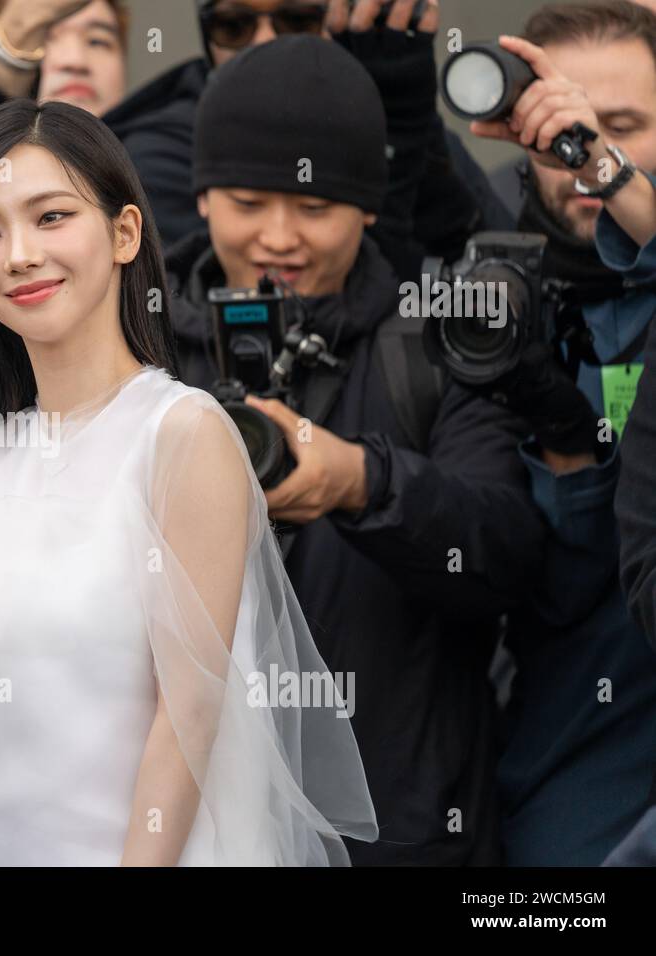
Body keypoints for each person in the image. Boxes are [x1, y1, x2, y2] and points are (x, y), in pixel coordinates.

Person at [0, 98, 377, 866]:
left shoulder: (183, 432)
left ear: (125, 232)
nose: (22, 254)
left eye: (52, 216)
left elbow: (189, 714)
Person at [168, 35, 547, 865]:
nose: (279, 238)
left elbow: (509, 559)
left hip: (399, 827)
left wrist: (365, 484)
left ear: (371, 205)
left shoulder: (435, 349)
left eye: (314, 208)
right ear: (199, 197)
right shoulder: (135, 351)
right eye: (245, 201)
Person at [468, 2, 656, 866]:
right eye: (563, 127)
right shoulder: (491, 296)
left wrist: (614, 175)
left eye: (621, 126)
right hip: (577, 752)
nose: (580, 151)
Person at [0, 0, 495, 266]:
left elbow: (487, 255)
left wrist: (397, 129)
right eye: (236, 24)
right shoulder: (157, 145)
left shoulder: (386, 100)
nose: (265, 41)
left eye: (298, 20)